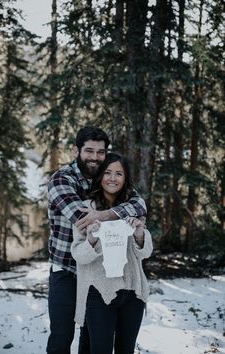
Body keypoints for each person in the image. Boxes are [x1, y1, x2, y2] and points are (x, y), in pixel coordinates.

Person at [46, 126, 147, 354]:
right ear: (76, 151)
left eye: (100, 152)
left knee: (90, 339)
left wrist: (104, 214)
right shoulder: (62, 179)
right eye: (89, 150)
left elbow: (139, 205)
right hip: (67, 270)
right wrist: (115, 214)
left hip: (95, 272)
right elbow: (83, 220)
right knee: (62, 337)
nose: (95, 157)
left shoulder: (105, 178)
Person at [71, 152, 153, 354]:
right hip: (99, 292)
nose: (113, 178)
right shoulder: (87, 208)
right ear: (100, 176)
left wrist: (140, 234)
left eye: (119, 173)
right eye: (107, 172)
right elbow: (78, 255)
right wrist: (91, 239)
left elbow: (145, 253)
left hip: (133, 291)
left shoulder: (133, 207)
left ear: (125, 179)